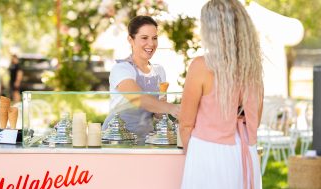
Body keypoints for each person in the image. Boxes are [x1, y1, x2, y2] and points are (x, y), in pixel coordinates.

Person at [179, 0, 263, 188]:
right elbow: (255, 117)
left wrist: (195, 155)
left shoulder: (202, 66)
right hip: (246, 152)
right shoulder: (253, 68)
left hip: (209, 152)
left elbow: (185, 124)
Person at [102, 15, 180, 144]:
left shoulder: (159, 71)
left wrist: (165, 113)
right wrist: (172, 108)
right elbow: (137, 97)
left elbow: (158, 114)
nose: (151, 44)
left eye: (154, 38)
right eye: (144, 38)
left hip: (146, 139)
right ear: (130, 40)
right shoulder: (122, 69)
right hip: (117, 138)